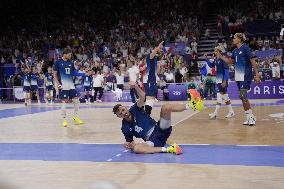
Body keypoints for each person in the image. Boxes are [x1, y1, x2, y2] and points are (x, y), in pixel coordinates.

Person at [113, 81, 198, 155]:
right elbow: (131, 142)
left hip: (160, 129)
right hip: (152, 140)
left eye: (123, 110)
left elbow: (142, 96)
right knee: (136, 148)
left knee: (166, 107)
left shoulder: (135, 109)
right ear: (119, 116)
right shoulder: (125, 127)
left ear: (125, 108)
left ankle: (193, 105)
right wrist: (129, 145)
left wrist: (135, 86)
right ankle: (169, 149)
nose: (124, 113)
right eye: (121, 113)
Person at [216, 33, 260, 126]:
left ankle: (251, 117)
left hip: (246, 75)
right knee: (242, 97)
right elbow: (229, 61)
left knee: (243, 95)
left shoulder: (245, 48)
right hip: (238, 76)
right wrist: (221, 56)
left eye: (234, 38)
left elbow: (253, 61)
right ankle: (249, 117)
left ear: (239, 39)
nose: (233, 39)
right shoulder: (235, 51)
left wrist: (257, 75)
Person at [53, 48, 84, 127]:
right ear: (65, 54)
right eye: (69, 55)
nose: (70, 56)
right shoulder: (58, 62)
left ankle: (75, 117)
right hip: (63, 86)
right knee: (64, 102)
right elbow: (54, 74)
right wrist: (58, 84)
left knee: (76, 100)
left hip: (71, 85)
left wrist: (83, 74)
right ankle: (64, 120)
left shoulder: (70, 62)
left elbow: (74, 73)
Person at [209, 46, 235, 119]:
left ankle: (215, 113)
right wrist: (206, 59)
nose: (215, 52)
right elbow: (211, 65)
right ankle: (231, 111)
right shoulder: (216, 59)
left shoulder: (223, 59)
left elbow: (226, 70)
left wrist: (224, 81)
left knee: (219, 95)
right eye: (214, 51)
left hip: (223, 80)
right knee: (225, 97)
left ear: (219, 51)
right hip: (218, 79)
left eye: (216, 51)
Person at [141, 41, 163, 115]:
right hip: (149, 80)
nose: (160, 50)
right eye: (159, 49)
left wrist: (159, 66)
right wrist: (158, 47)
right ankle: (146, 116)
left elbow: (157, 72)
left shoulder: (155, 60)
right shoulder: (150, 57)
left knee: (151, 99)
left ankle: (146, 115)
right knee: (150, 98)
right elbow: (153, 52)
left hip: (152, 80)